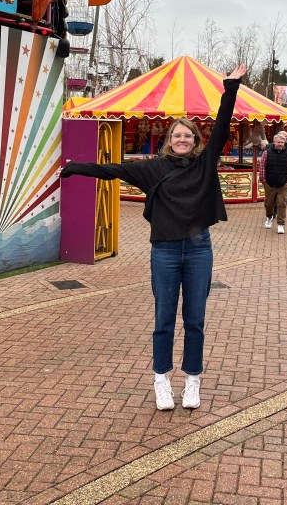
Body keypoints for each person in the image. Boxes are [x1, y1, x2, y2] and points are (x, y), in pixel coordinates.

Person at [61, 64, 248, 411]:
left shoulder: (203, 164)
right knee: (164, 319)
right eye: (176, 135)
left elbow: (222, 125)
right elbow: (112, 170)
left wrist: (231, 87)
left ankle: (192, 381)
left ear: (195, 141)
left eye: (188, 136)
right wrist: (73, 167)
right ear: (168, 140)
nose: (182, 140)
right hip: (164, 251)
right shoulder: (152, 168)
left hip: (198, 251)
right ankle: (161, 379)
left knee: (195, 320)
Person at [260, 130, 287, 233]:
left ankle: (281, 224)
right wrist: (263, 180)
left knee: (282, 204)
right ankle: (269, 217)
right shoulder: (266, 153)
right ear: (274, 142)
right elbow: (262, 166)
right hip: (269, 183)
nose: (280, 144)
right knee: (269, 203)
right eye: (278, 142)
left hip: (282, 183)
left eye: (282, 142)